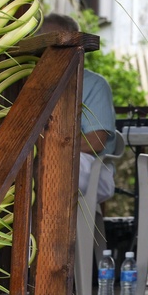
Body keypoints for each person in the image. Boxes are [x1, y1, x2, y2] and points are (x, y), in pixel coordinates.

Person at [40, 13, 118, 205]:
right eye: (43, 44)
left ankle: (49, 234)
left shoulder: (94, 84)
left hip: (91, 167)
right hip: (51, 159)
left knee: (45, 165)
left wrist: (45, 148)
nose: (47, 50)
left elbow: (96, 142)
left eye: (56, 44)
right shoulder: (36, 83)